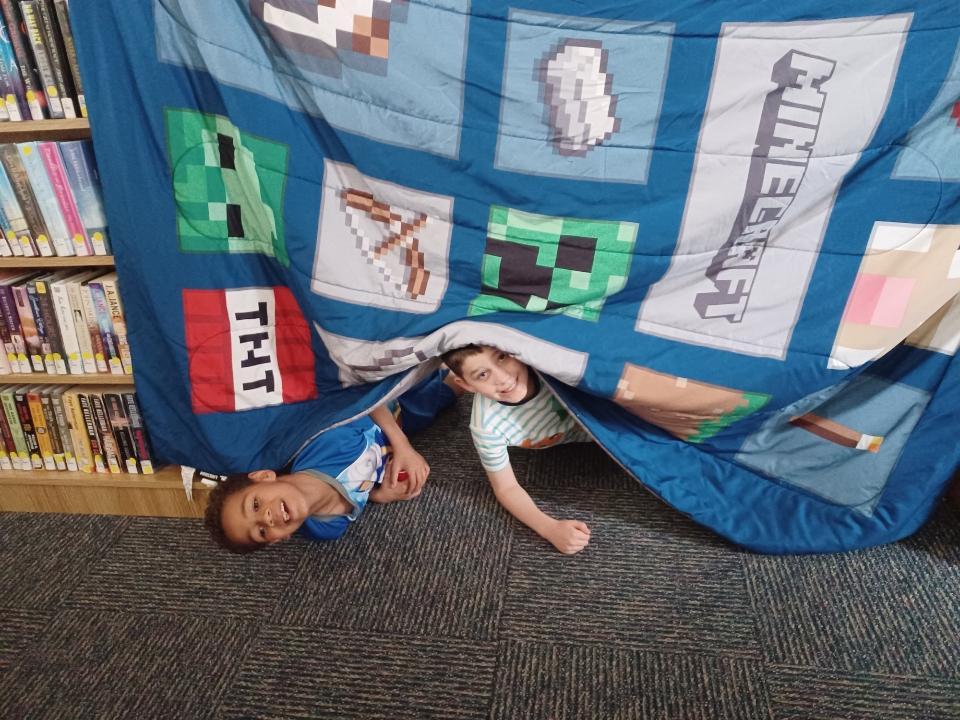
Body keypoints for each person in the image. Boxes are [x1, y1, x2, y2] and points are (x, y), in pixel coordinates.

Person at [204, 369, 459, 553]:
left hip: (387, 398)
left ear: (263, 476)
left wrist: (402, 445)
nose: (268, 518)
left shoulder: (323, 443)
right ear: (277, 540)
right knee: (451, 391)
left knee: (440, 364)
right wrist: (379, 495)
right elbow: (353, 491)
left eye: (256, 504)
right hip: (403, 429)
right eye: (261, 532)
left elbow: (364, 397)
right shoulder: (326, 529)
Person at [442, 344, 593, 554]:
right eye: (483, 374)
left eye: (502, 357)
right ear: (466, 385)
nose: (502, 378)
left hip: (601, 426)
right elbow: (506, 488)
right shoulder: (487, 425)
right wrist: (549, 527)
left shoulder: (547, 365)